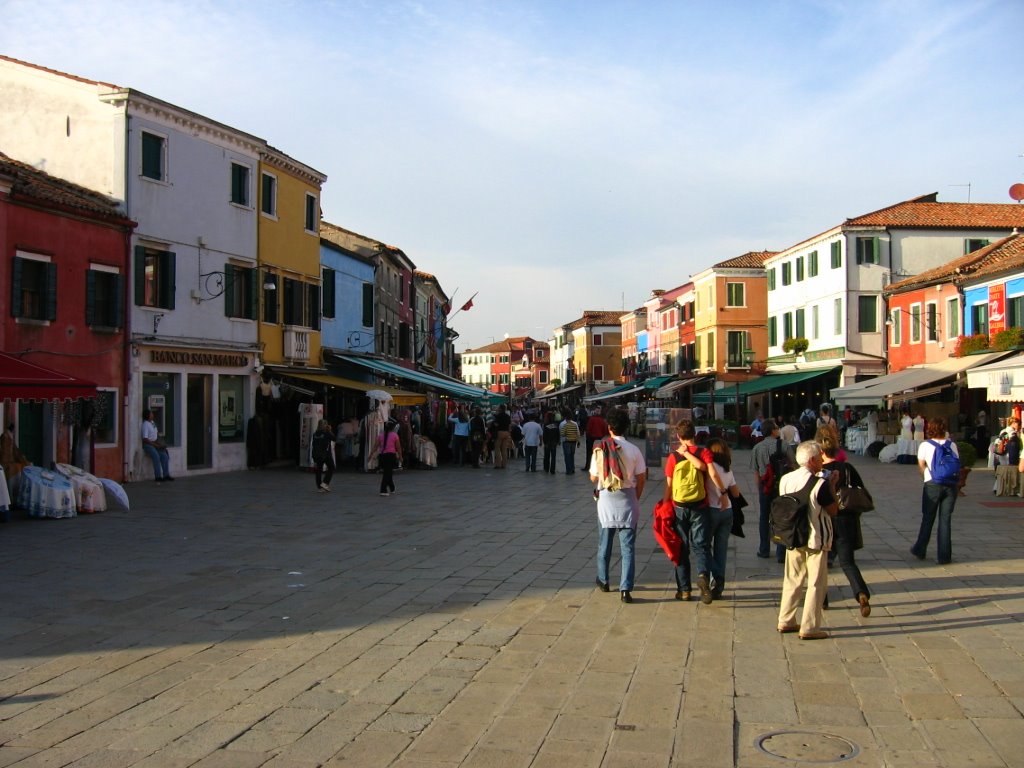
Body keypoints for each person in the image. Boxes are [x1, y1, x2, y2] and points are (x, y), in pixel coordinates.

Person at [777, 441, 838, 639]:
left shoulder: (785, 479)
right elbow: (832, 510)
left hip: (793, 535)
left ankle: (785, 619)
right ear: (811, 460)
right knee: (816, 583)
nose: (822, 460)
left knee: (792, 579)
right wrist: (832, 485)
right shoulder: (819, 484)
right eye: (819, 457)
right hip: (815, 537)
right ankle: (810, 626)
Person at [591, 407, 647, 603]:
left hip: (606, 500)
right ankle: (625, 589)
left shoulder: (600, 448)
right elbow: (641, 478)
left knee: (604, 543)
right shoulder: (634, 450)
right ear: (626, 426)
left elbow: (593, 477)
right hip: (628, 499)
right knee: (628, 547)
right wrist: (635, 497)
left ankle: (604, 580)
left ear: (609, 427)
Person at [817, 428, 871, 617]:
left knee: (821, 561)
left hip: (826, 519)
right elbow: (860, 489)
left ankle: (822, 599)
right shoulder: (848, 469)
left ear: (821, 452)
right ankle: (861, 593)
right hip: (846, 518)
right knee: (848, 562)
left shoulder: (819, 472)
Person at [664, 419, 720, 604]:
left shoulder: (673, 457)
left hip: (679, 506)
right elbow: (707, 470)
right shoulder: (704, 452)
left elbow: (669, 486)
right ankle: (703, 575)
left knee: (681, 547)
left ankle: (684, 590)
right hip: (700, 505)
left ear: (679, 436)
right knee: (701, 545)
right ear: (695, 434)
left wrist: (665, 504)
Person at [911, 417, 959, 564]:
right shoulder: (952, 445)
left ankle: (920, 548)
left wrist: (926, 475)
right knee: (945, 520)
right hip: (950, 485)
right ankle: (944, 555)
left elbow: (921, 465)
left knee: (928, 518)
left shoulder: (925, 445)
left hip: (932, 483)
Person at [752, 421, 793, 560]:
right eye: (777, 428)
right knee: (780, 517)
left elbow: (756, 472)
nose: (779, 429)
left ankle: (764, 549)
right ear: (773, 431)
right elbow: (794, 464)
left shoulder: (757, 448)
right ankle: (781, 552)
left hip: (765, 485)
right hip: (781, 485)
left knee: (764, 517)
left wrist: (759, 489)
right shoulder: (784, 445)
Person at [704, 437, 739, 600]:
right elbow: (736, 493)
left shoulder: (708, 468)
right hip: (727, 512)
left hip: (711, 510)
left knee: (703, 546)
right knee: (721, 548)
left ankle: (716, 575)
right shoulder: (727, 470)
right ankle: (719, 585)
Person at [141, 410, 173, 482]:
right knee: (156, 456)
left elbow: (156, 433)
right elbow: (145, 439)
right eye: (151, 414)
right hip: (149, 444)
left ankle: (166, 475)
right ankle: (158, 476)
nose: (153, 415)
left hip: (156, 443)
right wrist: (155, 445)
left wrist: (160, 443)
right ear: (147, 415)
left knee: (164, 456)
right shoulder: (145, 424)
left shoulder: (152, 423)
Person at [372, 421, 402, 496]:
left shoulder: (380, 436)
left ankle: (392, 487)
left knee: (388, 472)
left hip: (382, 456)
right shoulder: (395, 435)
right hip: (391, 455)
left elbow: (375, 446)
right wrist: (400, 456)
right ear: (393, 428)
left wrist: (370, 454)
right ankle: (383, 489)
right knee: (387, 473)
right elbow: (398, 447)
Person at [310, 419, 335, 492]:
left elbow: (314, 444)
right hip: (325, 454)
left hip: (316, 454)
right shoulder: (326, 433)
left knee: (318, 470)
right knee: (331, 467)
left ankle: (320, 487)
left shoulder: (315, 434)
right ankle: (325, 483)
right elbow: (334, 438)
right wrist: (330, 430)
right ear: (325, 425)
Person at [584, 407, 609, 472]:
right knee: (598, 453)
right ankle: (598, 467)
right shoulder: (602, 420)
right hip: (599, 438)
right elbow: (605, 430)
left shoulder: (591, 419)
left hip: (591, 438)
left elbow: (588, 429)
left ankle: (588, 466)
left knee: (589, 453)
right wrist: (601, 436)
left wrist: (588, 435)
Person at [492, 404, 513, 469]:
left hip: (500, 432)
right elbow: (510, 425)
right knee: (504, 449)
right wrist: (509, 433)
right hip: (506, 433)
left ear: (500, 408)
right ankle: (504, 464)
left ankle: (498, 464)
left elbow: (496, 424)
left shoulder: (498, 416)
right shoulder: (508, 416)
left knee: (497, 448)